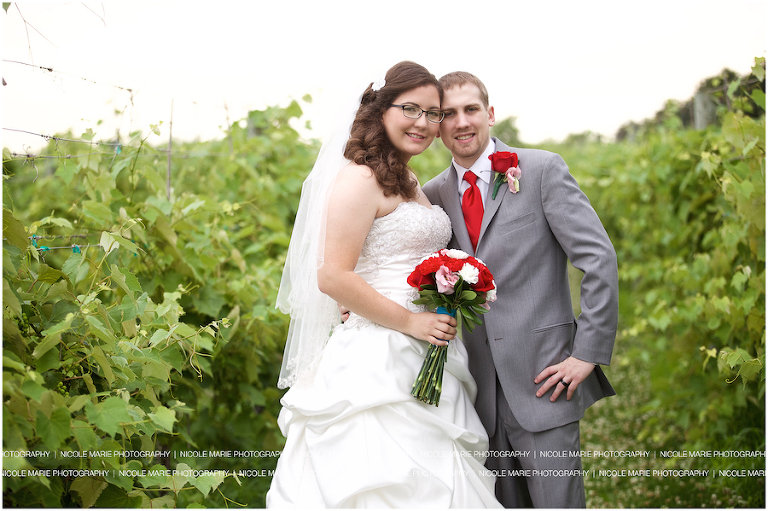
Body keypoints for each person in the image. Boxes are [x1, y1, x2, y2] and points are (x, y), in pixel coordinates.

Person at [267, 62, 502, 508]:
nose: (424, 123)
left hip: (429, 346)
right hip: (379, 356)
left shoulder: (409, 179)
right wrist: (412, 322)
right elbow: (333, 275)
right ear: (380, 109)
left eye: (433, 114)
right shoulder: (359, 178)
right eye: (410, 109)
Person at [421, 72, 619, 508]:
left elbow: (598, 259)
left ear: (490, 114)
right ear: (437, 126)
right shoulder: (432, 196)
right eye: (448, 114)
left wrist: (586, 351)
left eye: (470, 109)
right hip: (473, 394)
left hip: (543, 379)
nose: (461, 122)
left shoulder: (542, 169)